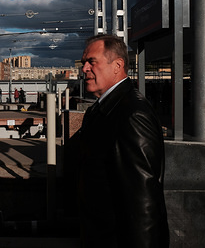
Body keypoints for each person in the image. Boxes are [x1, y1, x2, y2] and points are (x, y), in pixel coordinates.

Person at [71, 34, 169, 248]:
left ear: (117, 65)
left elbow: (143, 201)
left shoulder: (132, 115)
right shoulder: (103, 110)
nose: (84, 68)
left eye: (92, 62)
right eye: (84, 62)